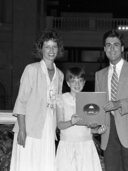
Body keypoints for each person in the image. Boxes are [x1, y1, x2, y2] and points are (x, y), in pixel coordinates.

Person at [10, 29, 64, 171]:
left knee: (45, 165)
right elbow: (21, 101)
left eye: (54, 47)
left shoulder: (60, 74)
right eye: (47, 47)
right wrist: (22, 129)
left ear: (58, 49)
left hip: (48, 128)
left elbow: (58, 103)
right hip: (29, 127)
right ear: (41, 49)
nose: (51, 50)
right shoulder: (31, 69)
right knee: (28, 165)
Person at [95, 29, 128, 171]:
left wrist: (119, 104)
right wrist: (95, 124)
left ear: (122, 48)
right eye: (108, 45)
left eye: (116, 44)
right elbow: (98, 104)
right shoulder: (99, 75)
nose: (112, 48)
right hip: (108, 132)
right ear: (104, 49)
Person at [55, 67, 106, 171]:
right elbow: (59, 125)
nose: (77, 84)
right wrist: (71, 122)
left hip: (86, 145)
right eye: (73, 81)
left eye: (80, 81)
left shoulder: (89, 100)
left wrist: (97, 130)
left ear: (84, 82)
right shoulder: (61, 99)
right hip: (67, 145)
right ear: (68, 83)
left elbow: (88, 127)